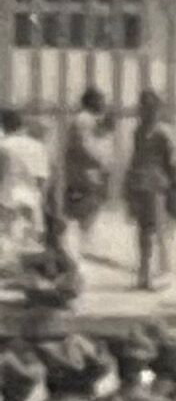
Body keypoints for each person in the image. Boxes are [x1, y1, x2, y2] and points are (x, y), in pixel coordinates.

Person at [123, 89, 176, 291]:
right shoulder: (160, 132)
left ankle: (146, 274)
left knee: (146, 231)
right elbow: (172, 161)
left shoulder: (142, 131)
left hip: (144, 183)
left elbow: (137, 159)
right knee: (155, 229)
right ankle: (153, 274)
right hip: (154, 184)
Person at [52, 91, 113, 272]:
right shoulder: (84, 120)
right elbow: (83, 146)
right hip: (85, 175)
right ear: (92, 102)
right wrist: (101, 161)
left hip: (84, 175)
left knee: (83, 210)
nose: (104, 104)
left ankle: (77, 249)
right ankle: (78, 252)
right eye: (101, 100)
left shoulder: (88, 120)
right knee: (82, 210)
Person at [0, 110, 48, 273]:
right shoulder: (37, 146)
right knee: (30, 238)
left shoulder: (4, 146)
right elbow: (42, 178)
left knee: (8, 234)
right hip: (31, 195)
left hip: (9, 193)